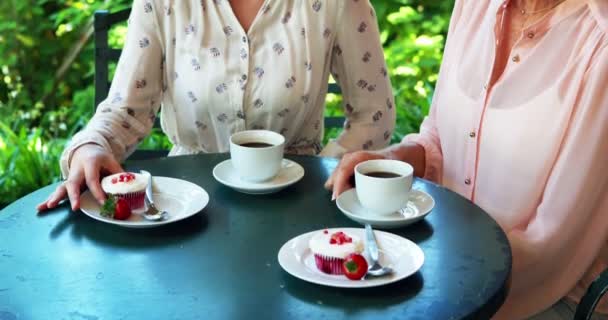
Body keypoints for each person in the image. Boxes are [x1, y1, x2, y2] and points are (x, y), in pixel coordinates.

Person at [326, 0, 607, 319]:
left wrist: (421, 267)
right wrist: (389, 162)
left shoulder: (600, 42)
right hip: (444, 267)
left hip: (543, 296)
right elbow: (437, 136)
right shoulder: (473, 6)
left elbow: (553, 241)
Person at [37, 0, 395, 212]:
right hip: (184, 209)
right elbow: (125, 111)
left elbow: (374, 114)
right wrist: (91, 145)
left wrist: (328, 175)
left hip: (299, 209)